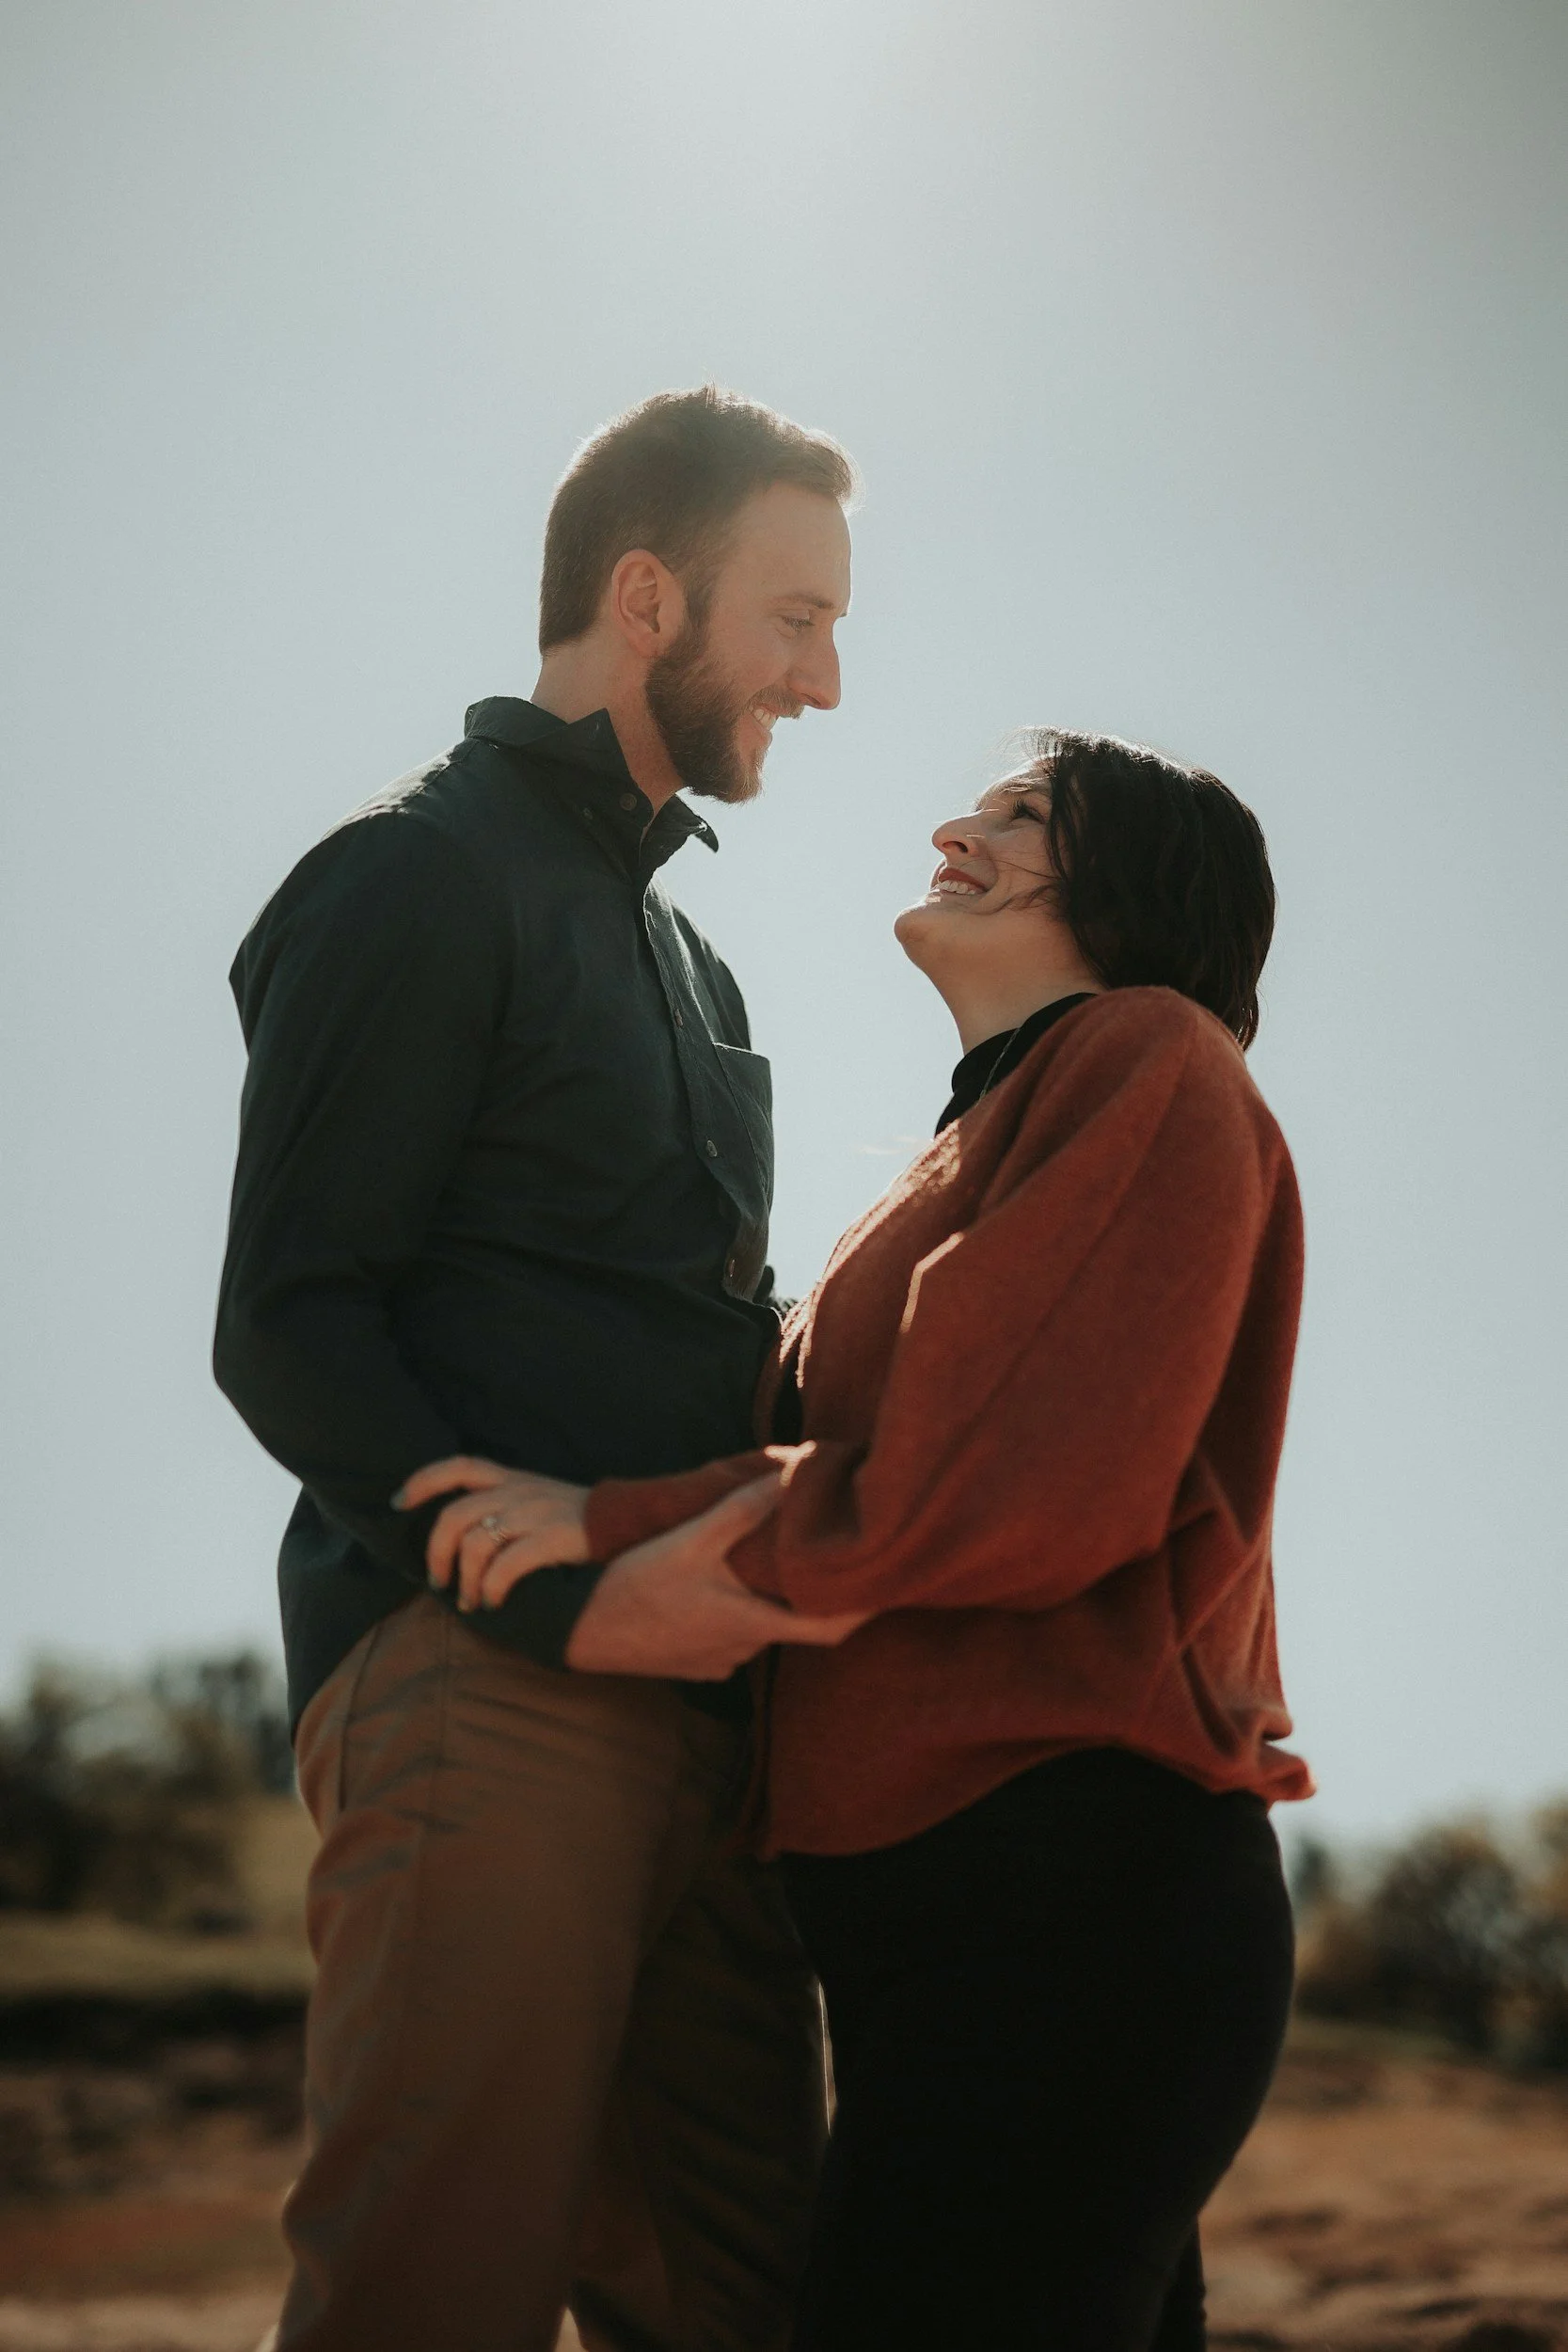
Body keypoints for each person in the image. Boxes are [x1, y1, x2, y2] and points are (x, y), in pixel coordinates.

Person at [404, 728, 1313, 2352]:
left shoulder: (1147, 1060)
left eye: (1029, 815)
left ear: (1133, 883)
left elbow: (1007, 1486)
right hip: (941, 1932)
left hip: (1067, 1902)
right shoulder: (971, 1140)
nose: (963, 825)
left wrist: (609, 1530)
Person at [214, 387, 862, 2352]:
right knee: (433, 2296)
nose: (825, 680)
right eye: (797, 617)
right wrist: (567, 1589)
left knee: (751, 2306)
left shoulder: (700, 968)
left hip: (713, 1738)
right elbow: (291, 1315)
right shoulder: (414, 875)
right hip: (485, 1694)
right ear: (645, 596)